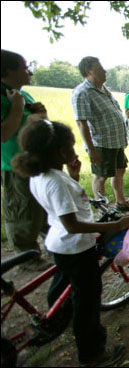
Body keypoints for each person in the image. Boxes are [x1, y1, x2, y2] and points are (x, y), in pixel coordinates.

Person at [11, 119, 129, 366]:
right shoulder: (56, 183)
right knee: (87, 303)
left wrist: (74, 177)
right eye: (71, 146)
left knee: (63, 283)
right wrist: (115, 225)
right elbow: (73, 225)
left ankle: (56, 318)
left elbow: (65, 209)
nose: (75, 150)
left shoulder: (44, 175)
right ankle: (93, 355)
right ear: (59, 152)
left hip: (59, 244)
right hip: (76, 247)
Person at [1, 49, 50, 269]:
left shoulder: (21, 93)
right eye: (24, 67)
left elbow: (38, 123)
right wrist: (18, 107)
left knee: (43, 205)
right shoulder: (9, 97)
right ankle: (27, 257)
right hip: (15, 165)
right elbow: (4, 134)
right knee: (21, 211)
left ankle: (53, 243)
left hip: (38, 161)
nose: (29, 72)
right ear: (8, 70)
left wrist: (42, 115)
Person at [72, 56, 129, 211]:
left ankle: (121, 202)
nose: (105, 71)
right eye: (100, 68)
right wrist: (92, 150)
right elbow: (81, 122)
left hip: (115, 141)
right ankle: (103, 209)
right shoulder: (82, 92)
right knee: (101, 176)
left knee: (119, 171)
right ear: (89, 71)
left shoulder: (104, 89)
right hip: (100, 143)